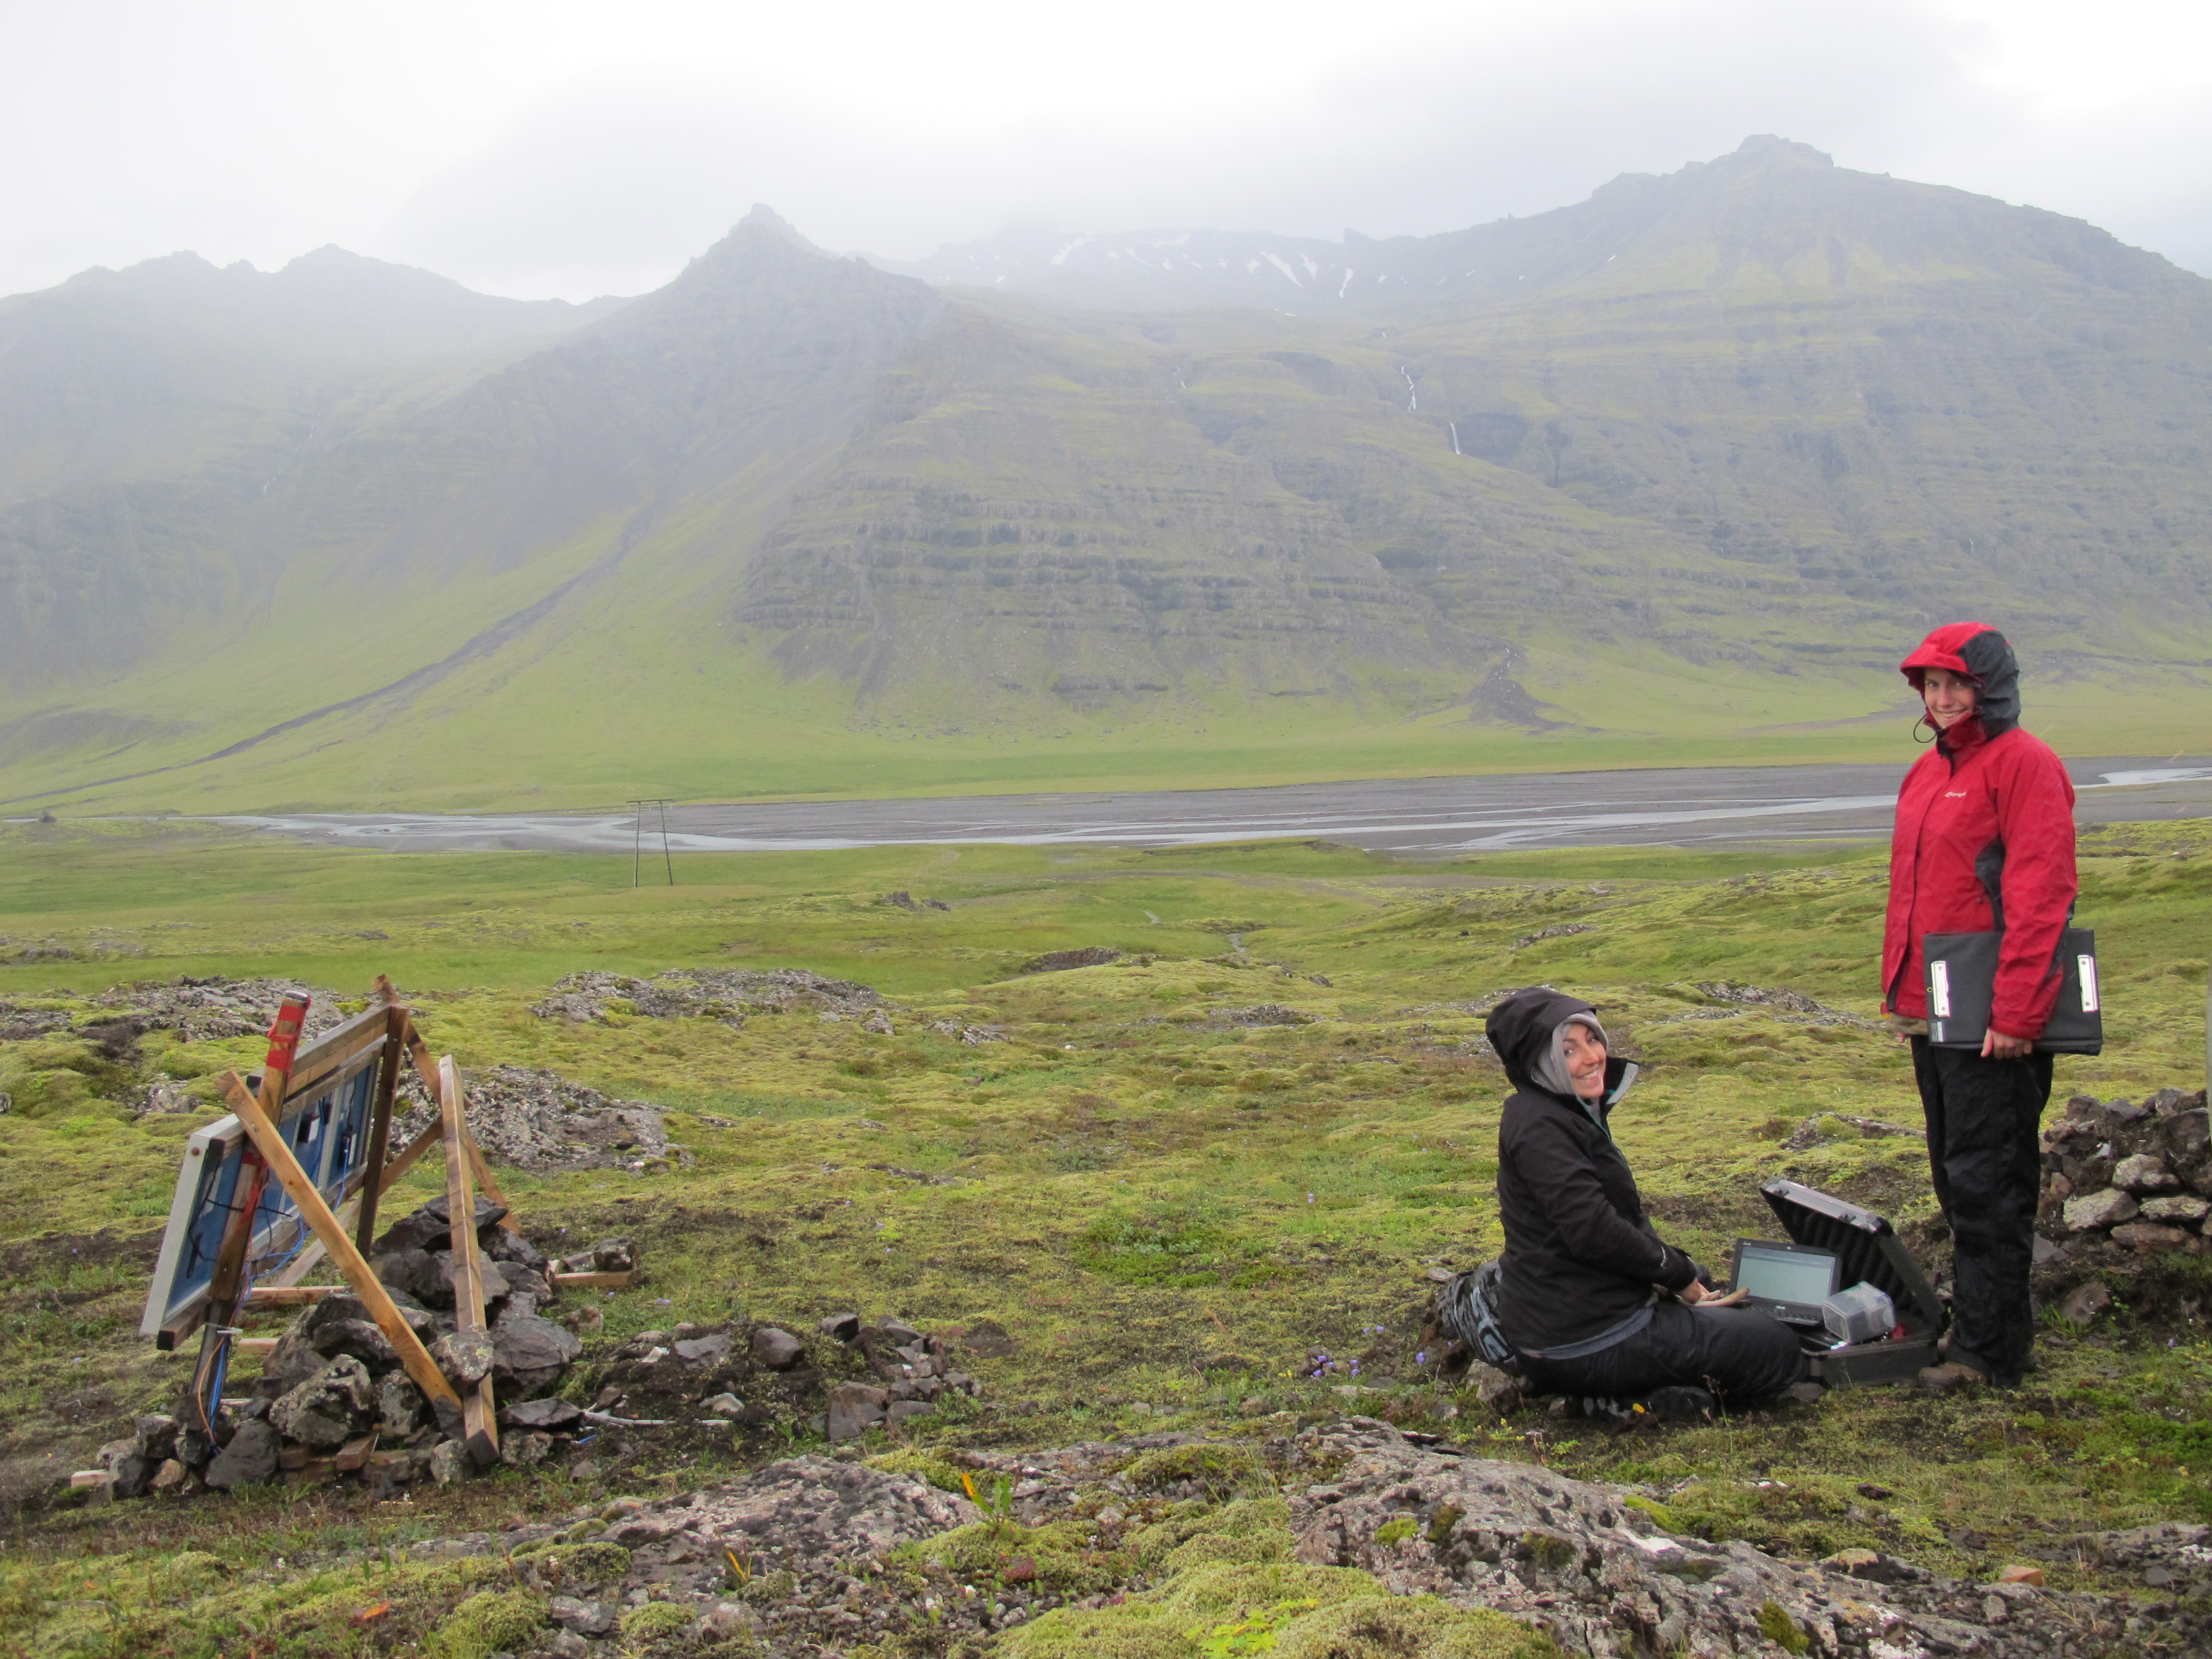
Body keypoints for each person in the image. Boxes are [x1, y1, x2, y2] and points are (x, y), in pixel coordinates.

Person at [1883, 623, 2076, 1392]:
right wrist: (1906, 997)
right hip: (1937, 1013)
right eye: (1931, 686)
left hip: (1995, 1023)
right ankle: (1984, 1330)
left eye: (1957, 684)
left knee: (1991, 1179)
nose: (1942, 698)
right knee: (1956, 1173)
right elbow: (1920, 894)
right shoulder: (1927, 773)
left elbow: (2042, 894)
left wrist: (2019, 1015)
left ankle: (1989, 1353)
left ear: (1992, 685)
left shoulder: (2026, 766)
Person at [1486, 987, 1807, 1414]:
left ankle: (1630, 1385)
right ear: (1540, 1062)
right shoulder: (1542, 1128)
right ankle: (1626, 1402)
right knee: (1778, 1347)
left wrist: (1683, 1275)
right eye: (1568, 1050)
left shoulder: (1557, 1111)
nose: (1591, 1057)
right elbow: (1592, 1231)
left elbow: (1611, 1223)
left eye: (1593, 1039)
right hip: (1584, 1338)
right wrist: (1675, 1275)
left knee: (1704, 1280)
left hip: (1563, 1319)